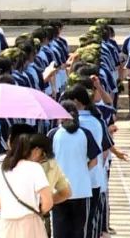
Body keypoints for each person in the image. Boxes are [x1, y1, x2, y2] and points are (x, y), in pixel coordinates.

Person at [48, 101, 102, 238]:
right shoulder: (85, 133)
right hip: (81, 190)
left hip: (58, 191)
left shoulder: (53, 134)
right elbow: (94, 161)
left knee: (59, 232)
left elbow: (46, 162)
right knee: (80, 232)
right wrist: (82, 171)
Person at [0, 133, 53, 238]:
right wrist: (38, 211)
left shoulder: (1, 169)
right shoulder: (35, 168)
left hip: (6, 225)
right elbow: (48, 202)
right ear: (34, 150)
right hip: (30, 223)